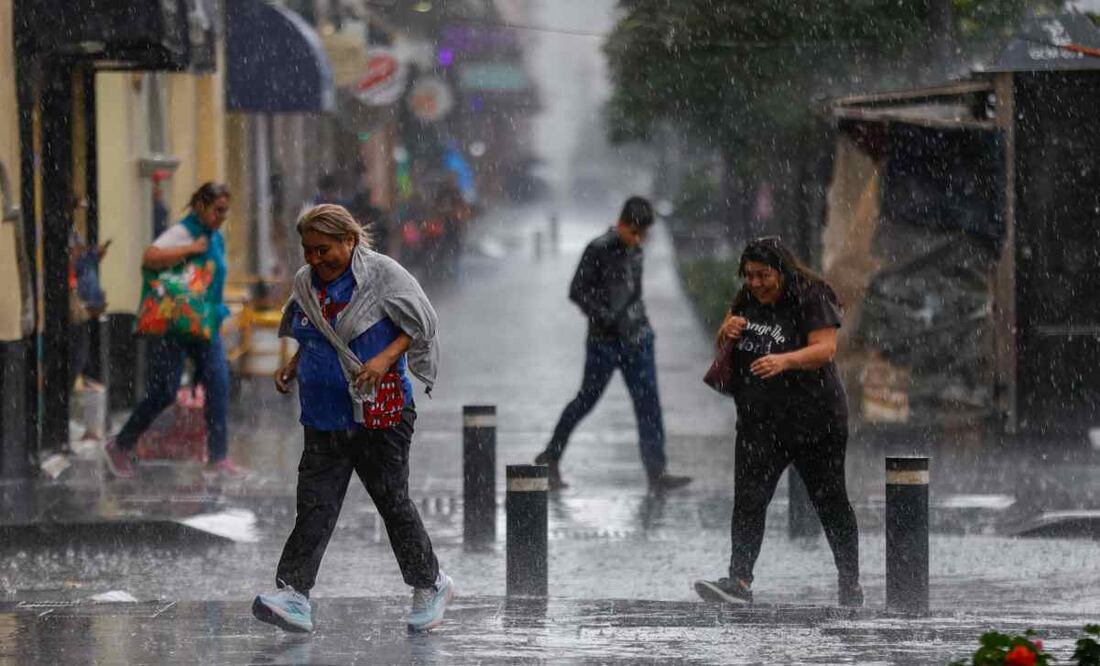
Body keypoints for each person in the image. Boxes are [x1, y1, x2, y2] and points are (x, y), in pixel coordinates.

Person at [251, 204, 453, 634]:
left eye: (324, 250)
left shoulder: (383, 276)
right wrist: (294, 363)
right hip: (323, 414)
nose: (315, 260)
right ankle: (294, 595)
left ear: (350, 241)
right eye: (308, 250)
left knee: (392, 502)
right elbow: (319, 331)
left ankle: (430, 584)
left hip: (380, 412)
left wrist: (383, 359)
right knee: (315, 507)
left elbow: (421, 323)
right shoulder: (307, 283)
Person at [693, 236, 862, 607]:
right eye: (749, 276)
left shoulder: (811, 294)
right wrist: (727, 331)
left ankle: (850, 583)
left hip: (815, 420)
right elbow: (724, 337)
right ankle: (739, 581)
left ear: (782, 271)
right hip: (759, 422)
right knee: (749, 500)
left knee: (830, 501)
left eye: (763, 275)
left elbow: (826, 348)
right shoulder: (747, 298)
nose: (755, 284)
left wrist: (784, 361)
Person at [533, 196, 692, 492]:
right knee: (585, 400)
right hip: (604, 342)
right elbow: (576, 290)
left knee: (649, 406)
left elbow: (635, 293)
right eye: (635, 233)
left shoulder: (637, 251)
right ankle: (549, 456)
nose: (639, 240)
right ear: (622, 223)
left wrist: (642, 327)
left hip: (638, 339)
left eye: (644, 235)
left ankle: (657, 473)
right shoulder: (598, 249)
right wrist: (604, 316)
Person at [103, 182, 242, 479]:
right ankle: (120, 444)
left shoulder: (214, 236)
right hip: (174, 326)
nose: (221, 217)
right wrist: (189, 249)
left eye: (225, 212)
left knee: (219, 384)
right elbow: (150, 257)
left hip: (204, 325)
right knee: (164, 391)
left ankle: (218, 457)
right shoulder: (184, 232)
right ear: (201, 207)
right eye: (217, 210)